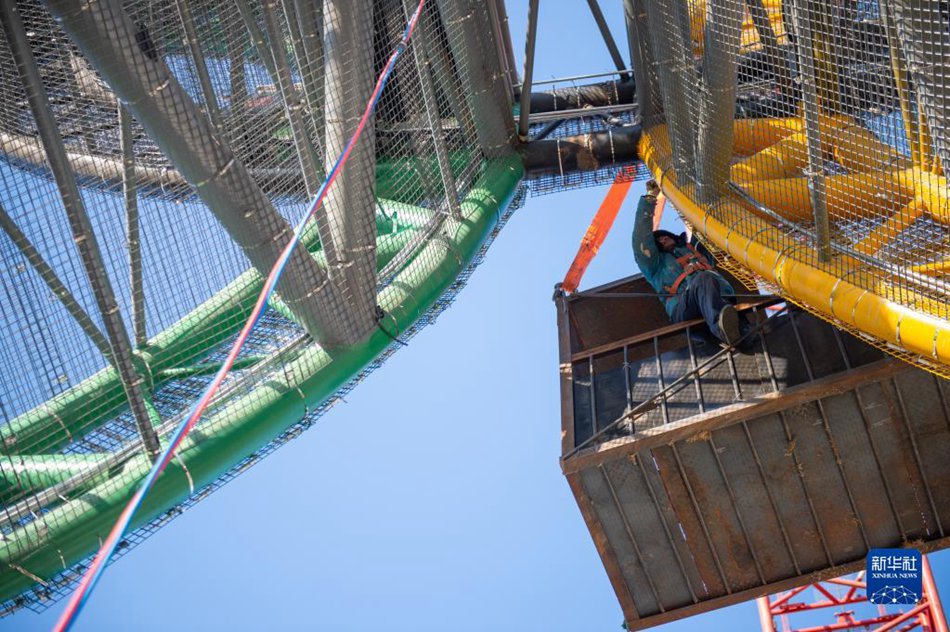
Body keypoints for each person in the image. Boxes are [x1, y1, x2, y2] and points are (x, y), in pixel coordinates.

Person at [632, 179, 741, 345]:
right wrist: (650, 197)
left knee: (745, 335)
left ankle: (731, 330)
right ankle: (722, 330)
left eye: (664, 235)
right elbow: (641, 237)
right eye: (657, 240)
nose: (661, 239)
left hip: (721, 300)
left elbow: (706, 226)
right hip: (685, 308)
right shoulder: (655, 266)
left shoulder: (695, 249)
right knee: (703, 278)